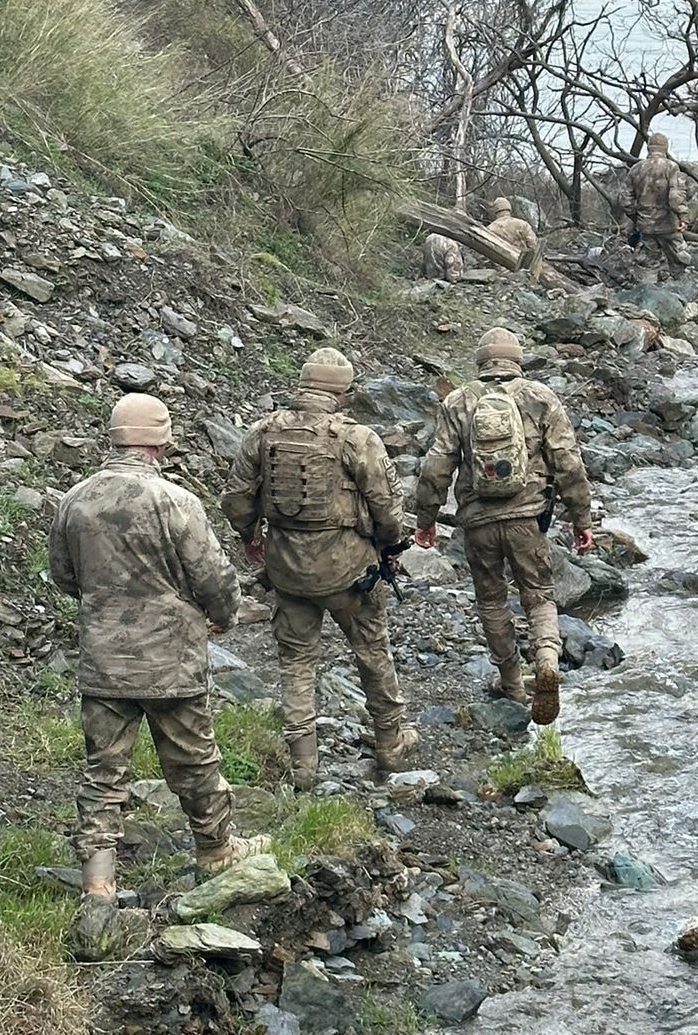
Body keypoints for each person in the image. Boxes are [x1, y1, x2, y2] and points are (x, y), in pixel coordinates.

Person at [50, 393, 270, 960]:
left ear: (114, 438)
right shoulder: (176, 501)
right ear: (161, 441)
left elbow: (64, 576)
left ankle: (98, 887)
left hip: (104, 661)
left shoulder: (75, 501)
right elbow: (215, 579)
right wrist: (219, 618)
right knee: (195, 762)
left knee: (104, 774)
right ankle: (216, 852)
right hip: (171, 660)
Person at [222, 347, 415, 791]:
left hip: (287, 570)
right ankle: (389, 741)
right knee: (371, 650)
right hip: (349, 571)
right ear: (341, 392)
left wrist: (252, 537)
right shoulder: (355, 437)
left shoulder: (263, 432)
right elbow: (386, 506)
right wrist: (389, 546)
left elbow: (235, 499)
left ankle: (304, 765)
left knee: (296, 661)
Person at [413, 326, 593, 726]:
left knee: (492, 601)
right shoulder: (540, 397)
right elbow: (568, 462)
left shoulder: (458, 401)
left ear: (481, 362)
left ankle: (512, 682)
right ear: (517, 359)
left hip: (478, 522)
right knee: (539, 596)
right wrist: (582, 519)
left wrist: (425, 521)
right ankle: (547, 658)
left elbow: (436, 466)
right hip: (527, 518)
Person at [624, 133, 690, 265]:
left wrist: (637, 219)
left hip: (646, 226)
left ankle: (650, 283)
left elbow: (626, 201)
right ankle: (678, 283)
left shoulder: (635, 169)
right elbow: (675, 197)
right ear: (665, 148)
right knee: (680, 260)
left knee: (649, 262)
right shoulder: (672, 167)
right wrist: (684, 217)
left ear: (649, 148)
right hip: (669, 225)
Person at [487, 197, 541, 273]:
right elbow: (533, 246)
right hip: (523, 268)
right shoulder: (522, 224)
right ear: (509, 209)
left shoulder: (490, 229)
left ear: (495, 210)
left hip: (501, 270)